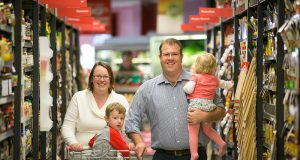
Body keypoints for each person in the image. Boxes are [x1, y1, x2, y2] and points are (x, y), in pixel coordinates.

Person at [125, 38, 226, 160]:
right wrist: (139, 141)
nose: (170, 58)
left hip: (195, 156)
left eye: (175, 54)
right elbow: (131, 120)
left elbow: (221, 110)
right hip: (162, 156)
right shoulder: (147, 88)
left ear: (181, 57)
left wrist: (205, 116)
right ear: (160, 57)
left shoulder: (198, 80)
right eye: (166, 54)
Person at [61, 61, 130, 151]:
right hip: (81, 154)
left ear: (111, 79)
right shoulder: (79, 97)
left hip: (111, 155)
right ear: (91, 79)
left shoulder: (120, 100)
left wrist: (128, 144)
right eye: (98, 76)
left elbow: (127, 129)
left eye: (105, 76)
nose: (102, 80)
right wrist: (73, 143)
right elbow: (67, 126)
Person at [183, 53, 233, 160]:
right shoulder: (214, 79)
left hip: (196, 106)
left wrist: (186, 88)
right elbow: (225, 84)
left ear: (197, 65)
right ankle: (221, 142)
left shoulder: (195, 77)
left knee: (193, 132)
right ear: (214, 67)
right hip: (209, 106)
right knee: (207, 129)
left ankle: (194, 154)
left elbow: (189, 89)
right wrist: (231, 84)